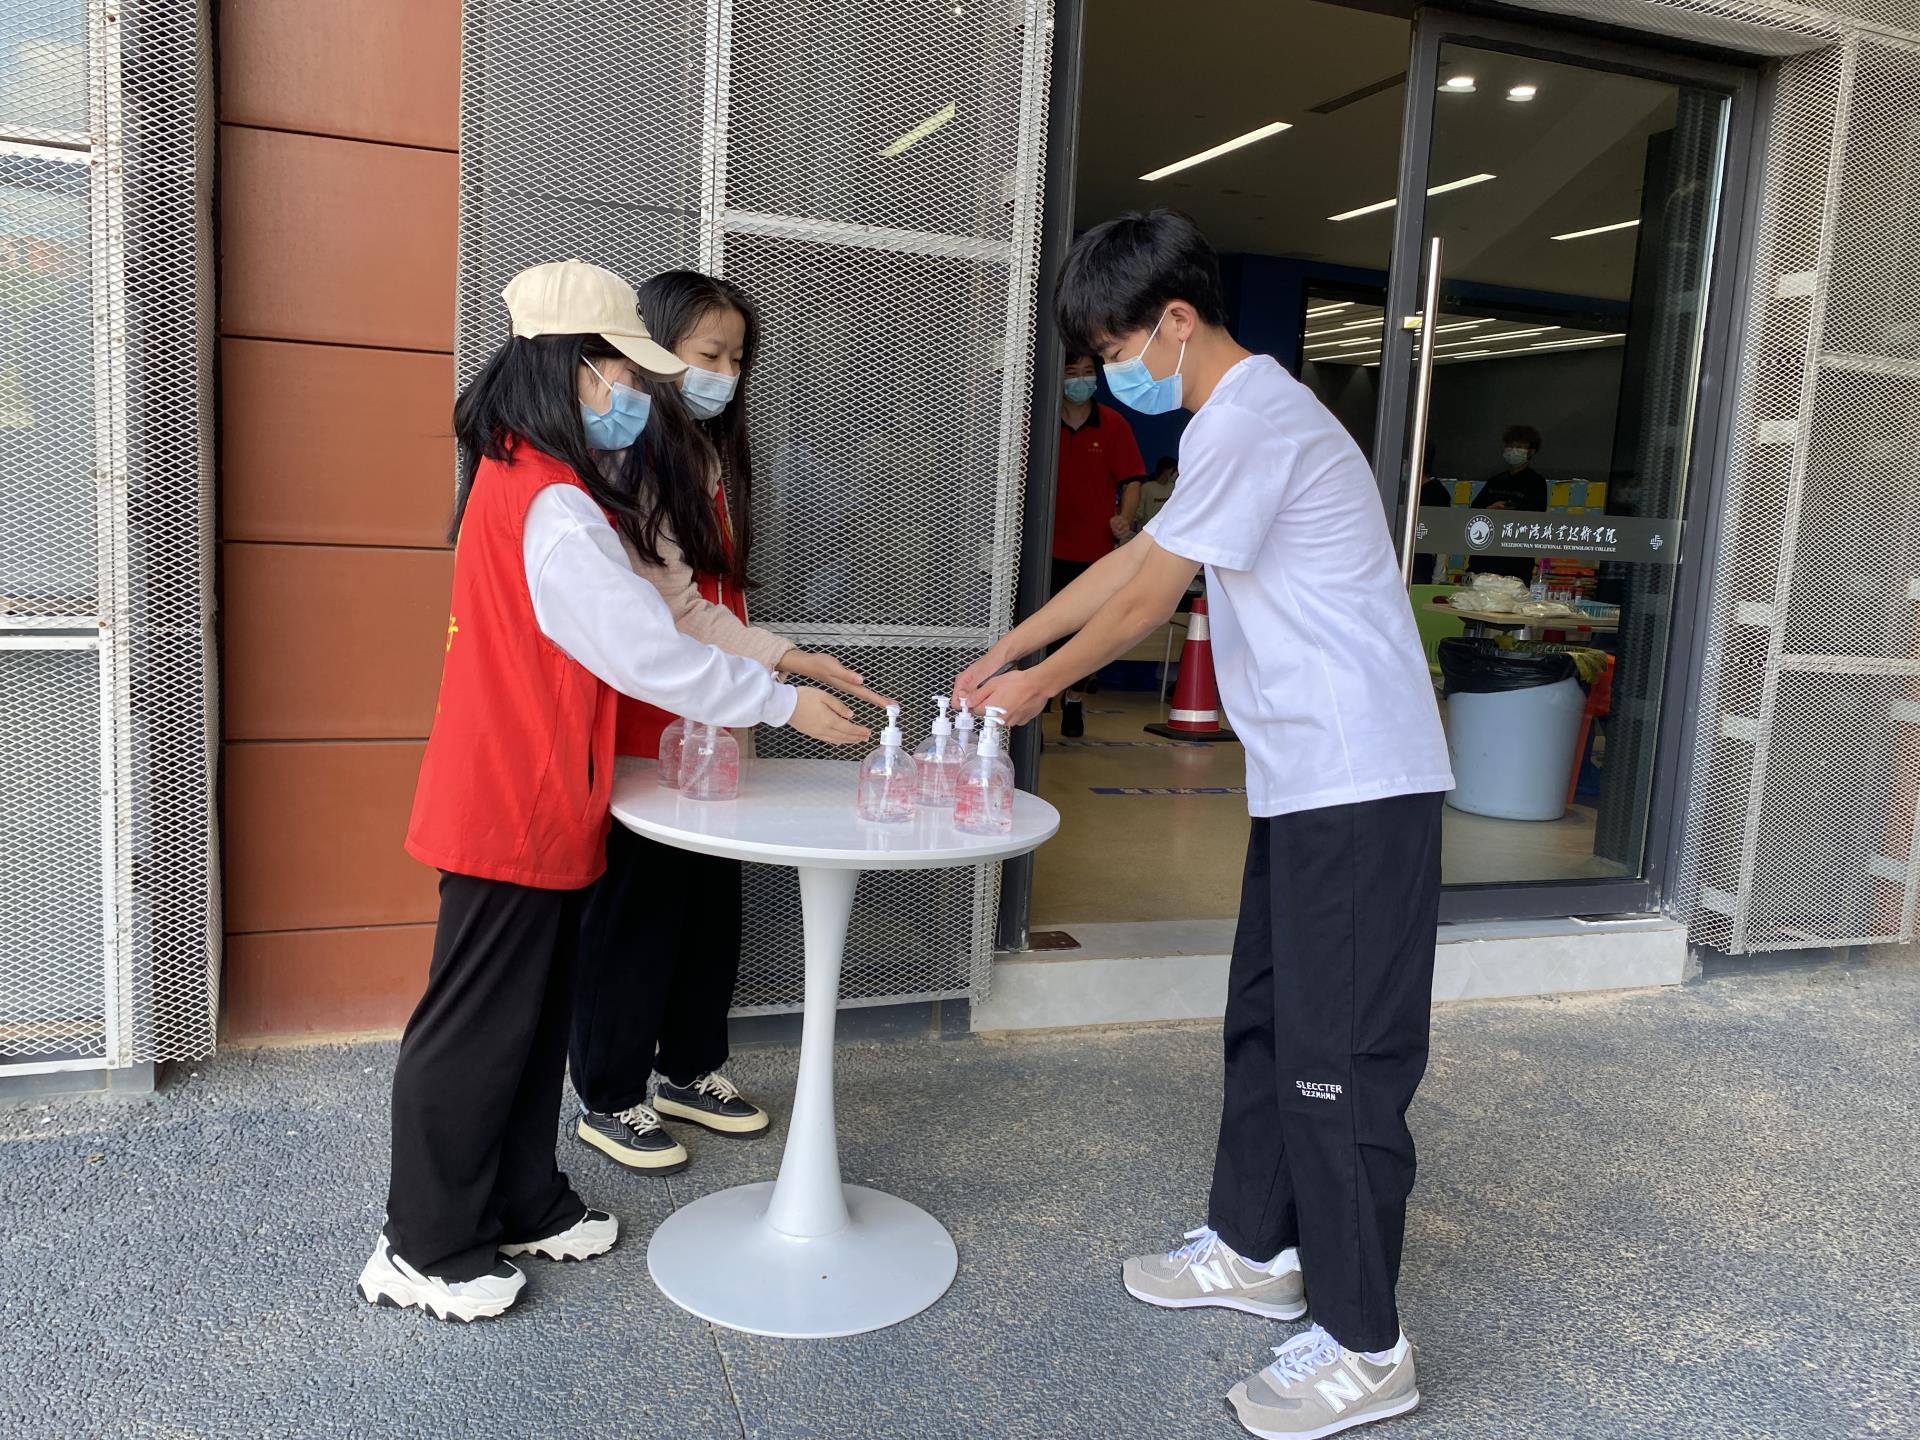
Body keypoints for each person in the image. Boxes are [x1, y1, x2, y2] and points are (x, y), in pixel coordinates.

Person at [956, 211, 1452, 1438]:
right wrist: (1010, 648)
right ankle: (1254, 1246)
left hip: (1359, 778)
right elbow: (1132, 563)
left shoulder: (1255, 417)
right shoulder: (1233, 423)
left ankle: (1367, 1345)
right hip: (1306, 779)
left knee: (1339, 1062)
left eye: (1114, 348)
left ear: (1176, 321)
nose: (1109, 371)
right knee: (1269, 1023)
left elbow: (1147, 599)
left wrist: (1037, 687)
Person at [359, 260, 867, 1324]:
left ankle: (520, 1198)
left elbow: (662, 626)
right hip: (511, 798)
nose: (636, 393)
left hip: (544, 795)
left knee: (530, 1021)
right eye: (622, 373)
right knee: (476, 1027)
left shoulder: (539, 480)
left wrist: (778, 675)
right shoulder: (550, 502)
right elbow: (648, 651)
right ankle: (424, 1242)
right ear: (570, 370)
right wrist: (781, 702)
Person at [567, 270, 890, 1175]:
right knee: (637, 912)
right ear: (651, 352)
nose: (724, 375)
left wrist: (789, 660)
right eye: (708, 354)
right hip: (652, 720)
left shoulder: (706, 458)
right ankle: (609, 1092)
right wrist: (786, 675)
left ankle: (689, 1067)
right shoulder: (628, 463)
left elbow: (711, 604)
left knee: (710, 906)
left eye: (737, 358)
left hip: (715, 714)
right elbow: (672, 618)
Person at [1051, 352, 1146, 737]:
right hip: (1045, 552)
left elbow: (1132, 479)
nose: (1080, 380)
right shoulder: (1039, 420)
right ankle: (1036, 711)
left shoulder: (1113, 423)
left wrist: (1125, 517)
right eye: (1072, 372)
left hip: (1094, 553)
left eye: (1088, 373)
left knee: (1086, 635)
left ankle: (1074, 699)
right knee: (1044, 633)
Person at [1469, 424, 1547, 585]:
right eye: (1510, 446)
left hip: (1515, 562)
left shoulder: (1536, 483)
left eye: (1519, 447)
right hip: (1483, 557)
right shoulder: (1496, 480)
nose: (1513, 450)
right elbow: (1473, 511)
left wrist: (1507, 513)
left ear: (1531, 452)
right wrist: (1490, 509)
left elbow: (1534, 519)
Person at [1136, 454, 1178, 531]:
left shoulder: (1174, 488)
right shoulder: (1147, 488)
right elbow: (1139, 513)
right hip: (1148, 531)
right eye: (1174, 470)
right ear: (1166, 471)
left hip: (1167, 530)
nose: (1176, 474)